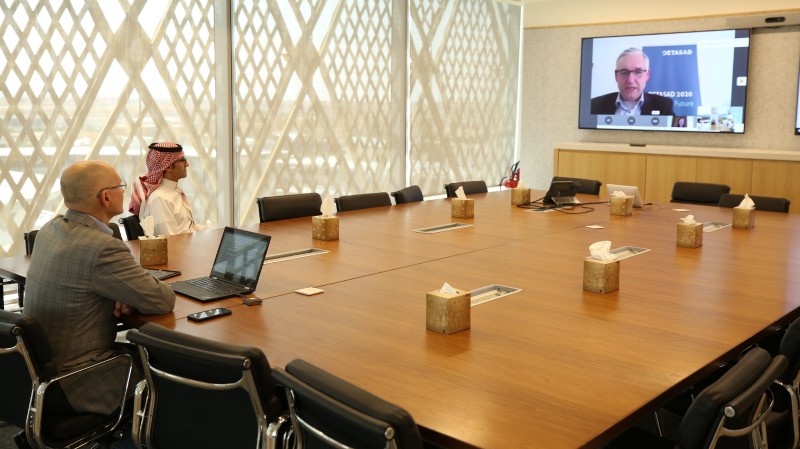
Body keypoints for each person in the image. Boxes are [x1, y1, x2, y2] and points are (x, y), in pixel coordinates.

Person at [23, 160, 176, 416]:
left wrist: (120, 293)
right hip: (80, 377)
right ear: (105, 197)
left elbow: (84, 284)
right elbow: (162, 300)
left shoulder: (49, 230)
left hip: (38, 370)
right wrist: (128, 293)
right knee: (174, 369)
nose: (123, 191)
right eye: (120, 186)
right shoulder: (101, 247)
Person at [129, 142, 207, 236]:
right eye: (183, 160)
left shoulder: (174, 190)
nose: (187, 164)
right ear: (168, 166)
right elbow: (170, 241)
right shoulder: (160, 198)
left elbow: (189, 228)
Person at [590, 48, 675, 116]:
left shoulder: (664, 106)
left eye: (638, 72)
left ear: (647, 74)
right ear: (616, 76)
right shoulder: (594, 105)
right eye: (624, 72)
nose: (630, 80)